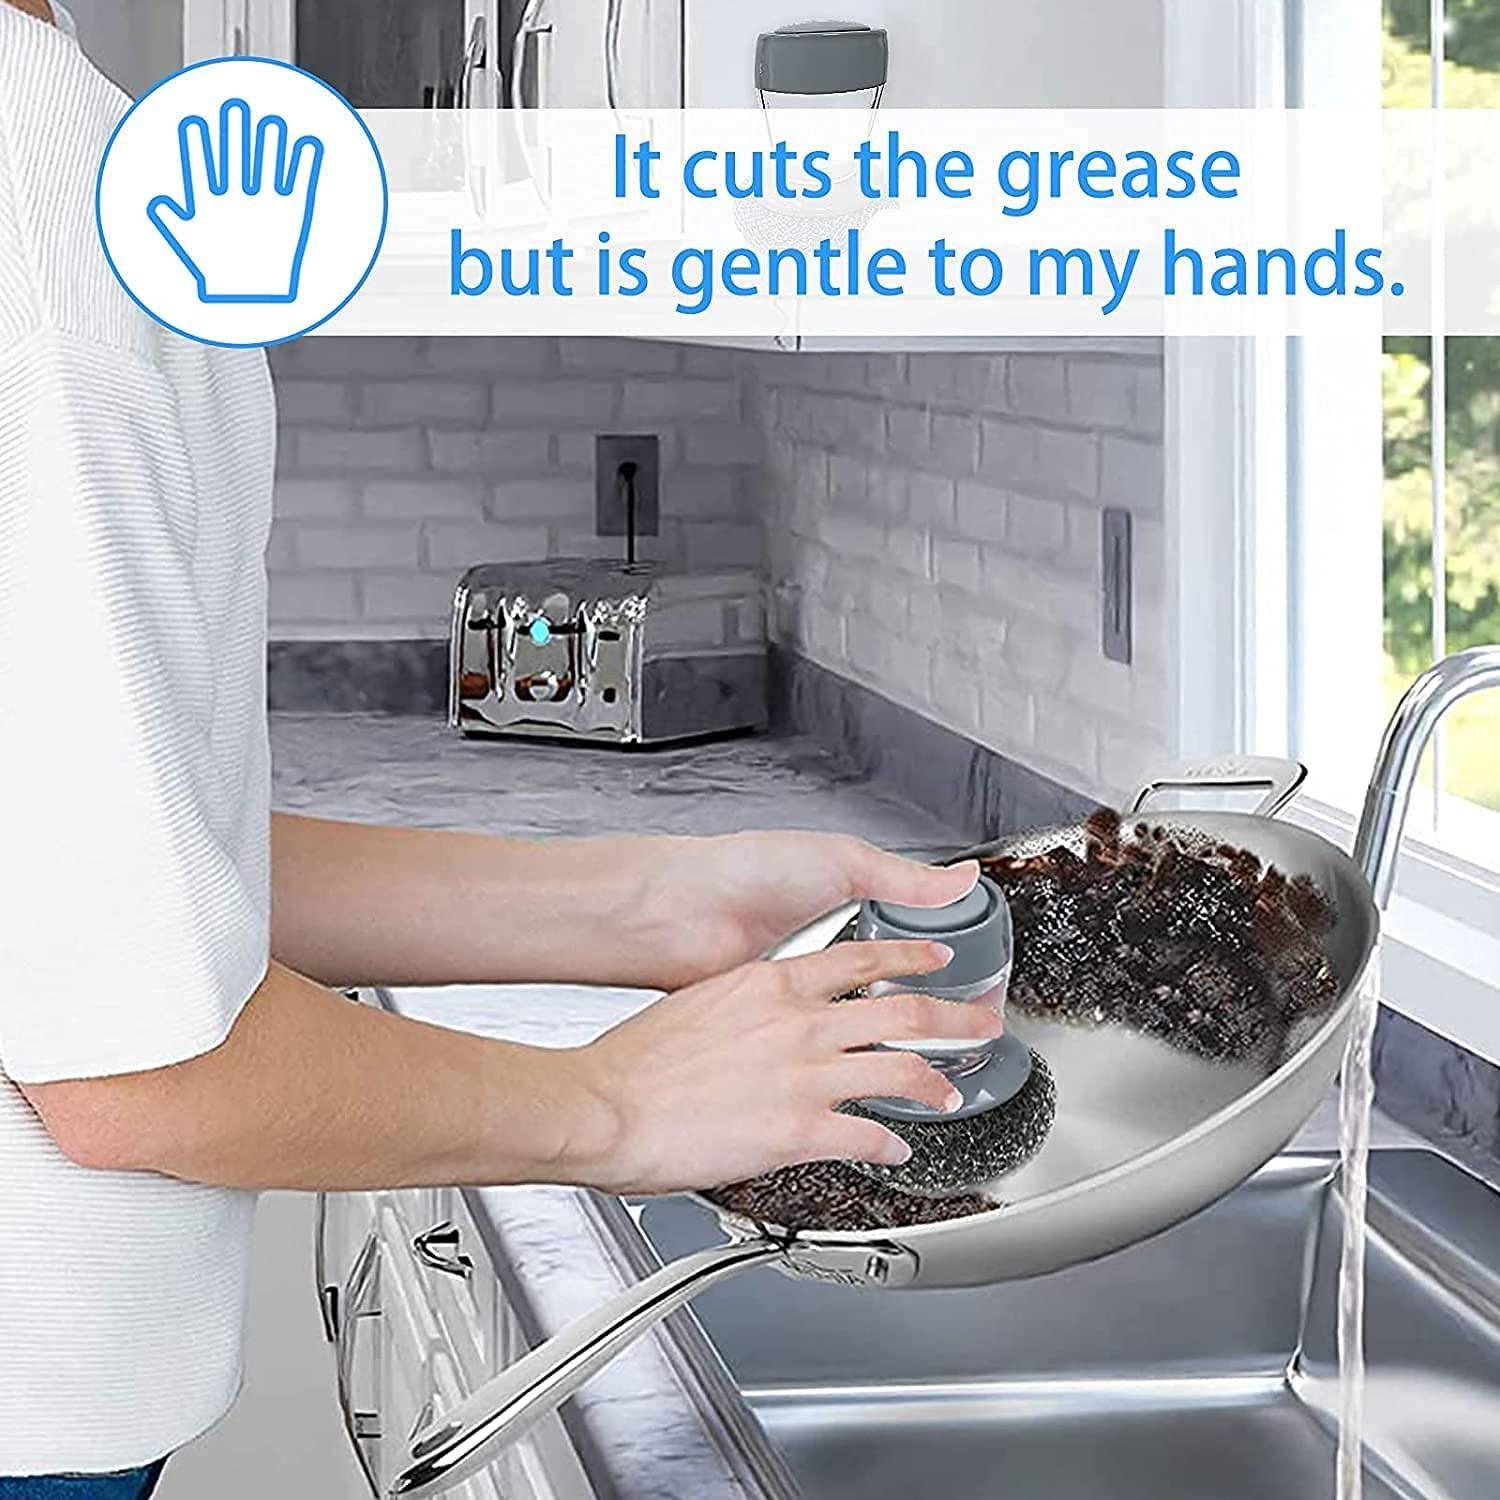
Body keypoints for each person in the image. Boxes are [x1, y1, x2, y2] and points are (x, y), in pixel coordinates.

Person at [0, 6, 992, 1494]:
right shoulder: (41, 235)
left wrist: (638, 907)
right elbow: (138, 1066)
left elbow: (88, 878)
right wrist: (618, 1105)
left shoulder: (65, 164)